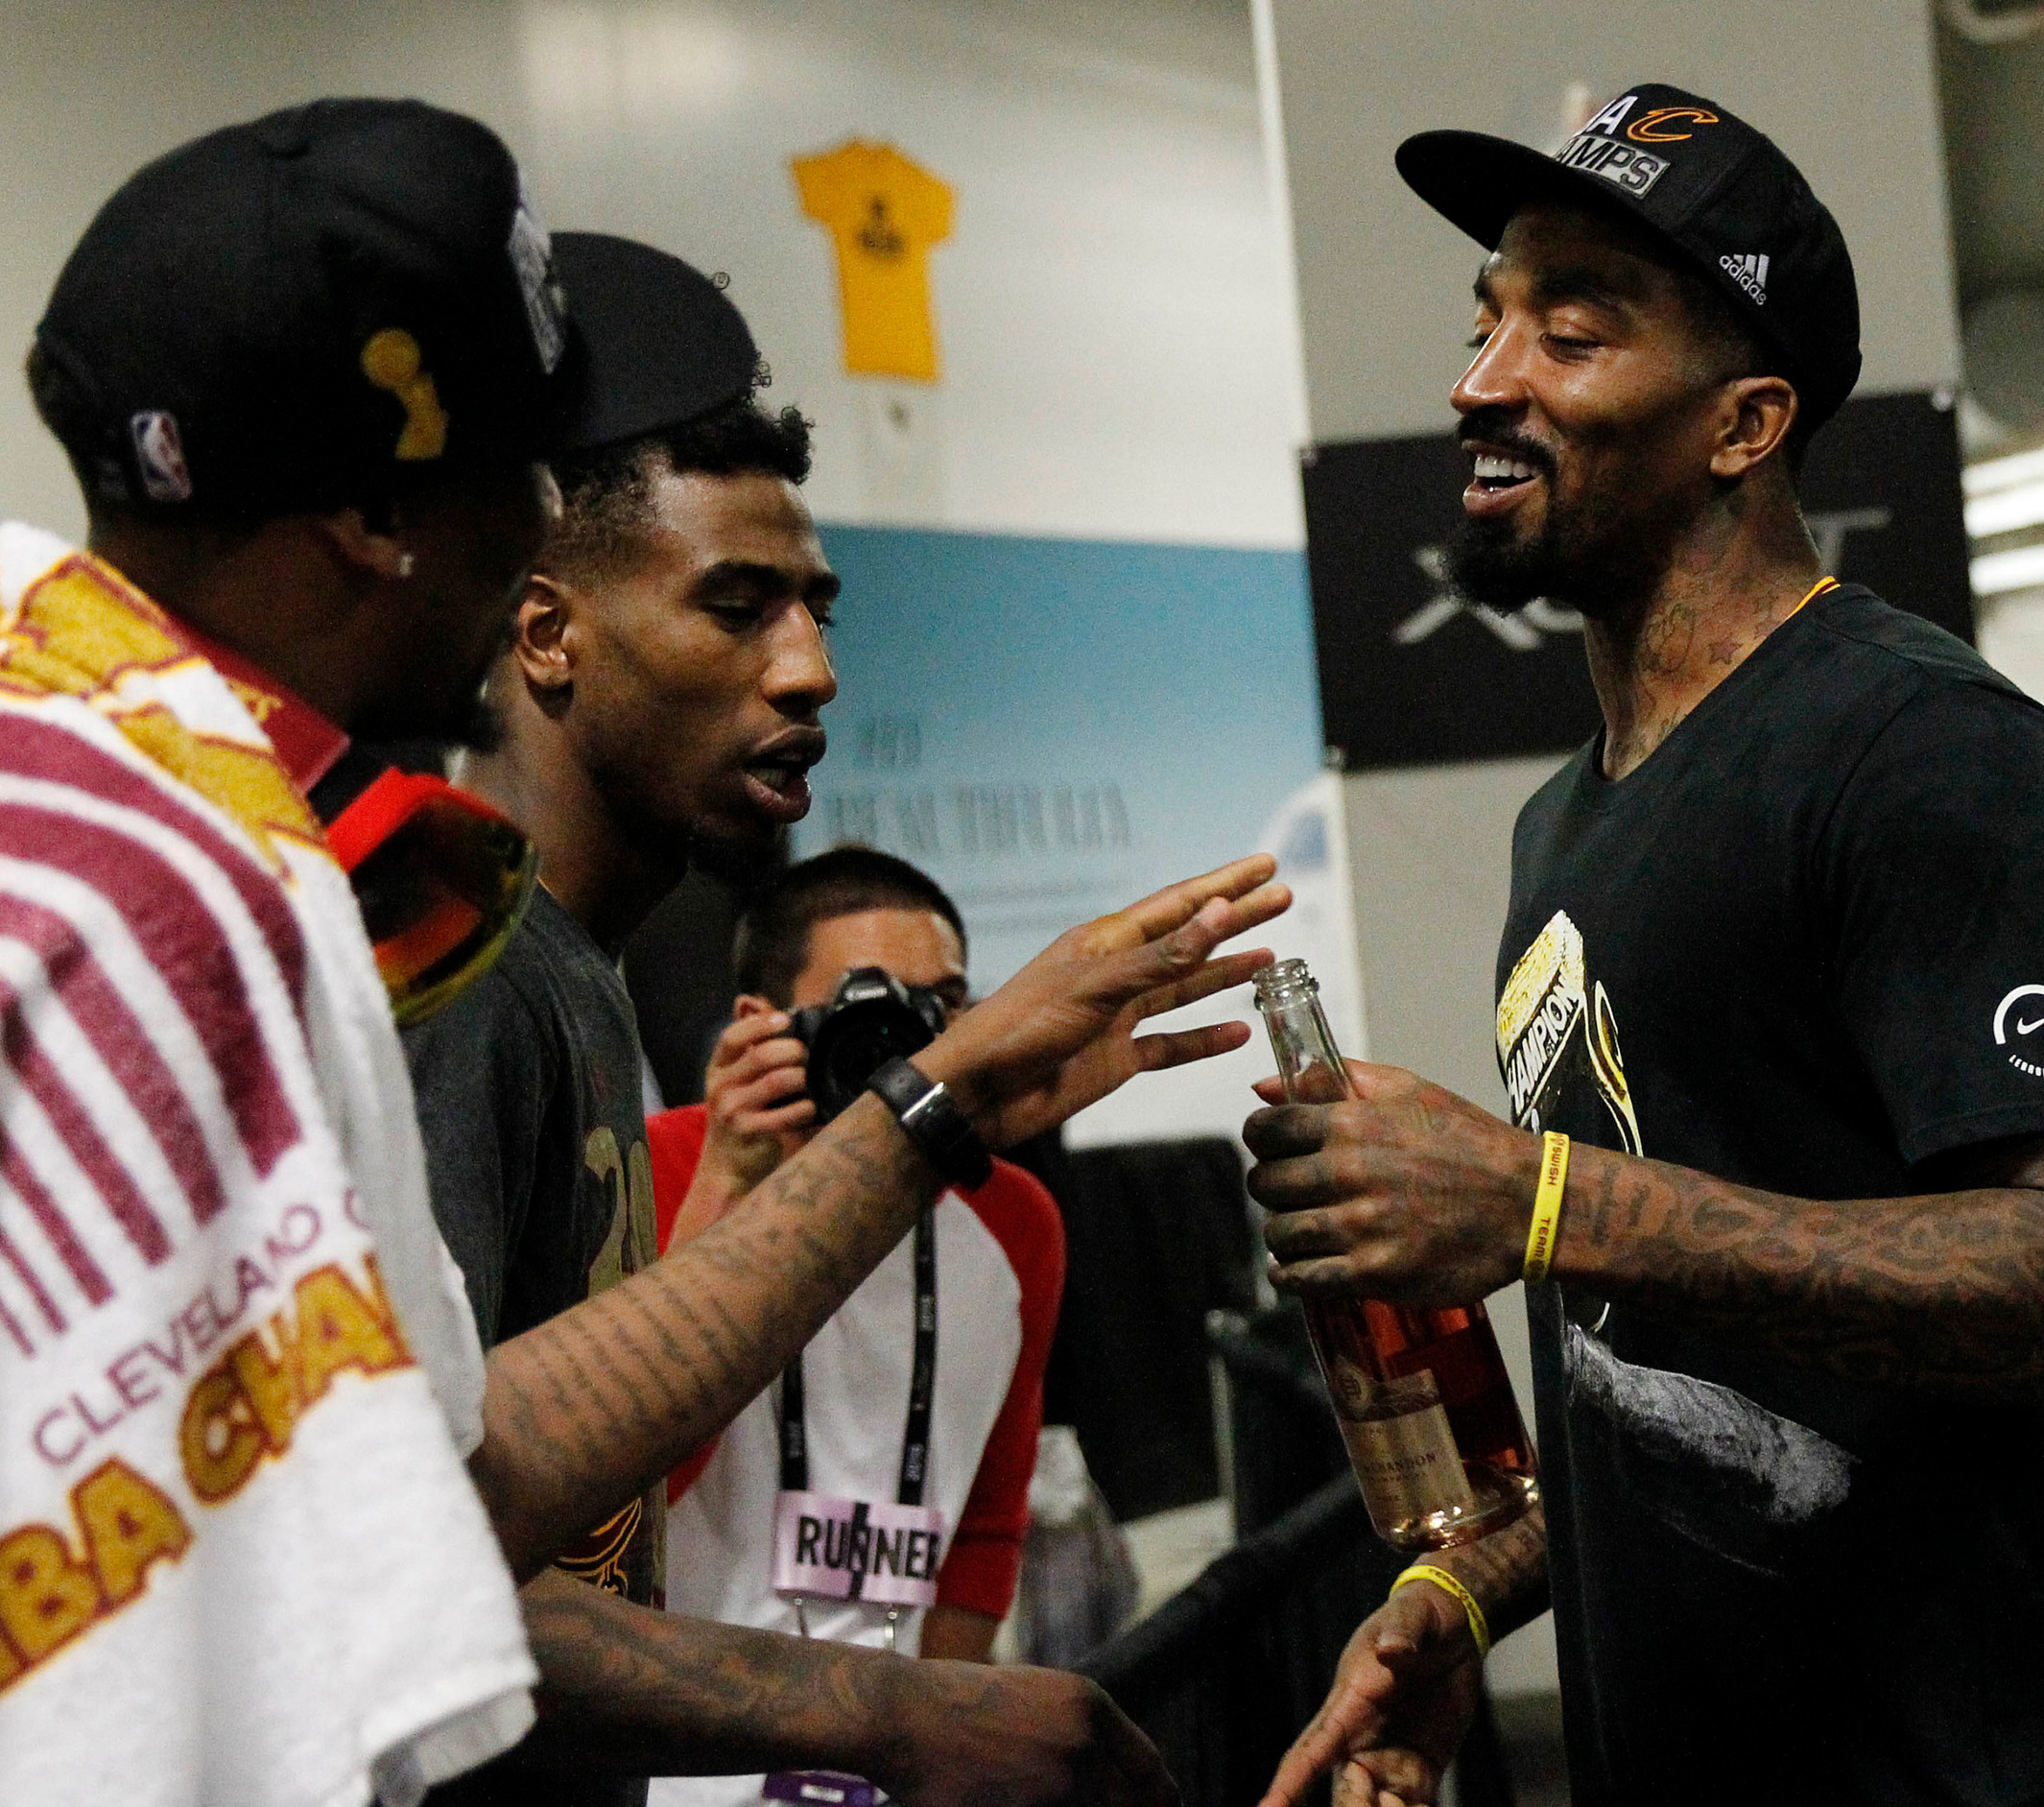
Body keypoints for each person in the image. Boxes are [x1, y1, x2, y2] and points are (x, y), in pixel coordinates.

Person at [1245, 84, 2044, 1806]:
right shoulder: (1565, 820)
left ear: (1744, 423)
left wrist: (1541, 1200)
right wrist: (1469, 1592)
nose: (1482, 382)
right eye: (1486, 323)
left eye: (1570, 333)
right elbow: (1680, 1362)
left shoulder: (1920, 748)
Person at [399, 234, 1273, 1805]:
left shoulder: (575, 975)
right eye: (737, 606)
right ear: (545, 631)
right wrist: (887, 1708)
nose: (807, 669)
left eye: (815, 607)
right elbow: (410, 1551)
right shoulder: (462, 974)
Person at [0, 98, 579, 1805]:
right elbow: (245, 1637)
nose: (545, 521)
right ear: (378, 514)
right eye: (522, 473)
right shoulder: (208, 892)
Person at [646, 848, 1064, 1805]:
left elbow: (984, 1530)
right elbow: (617, 1487)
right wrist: (728, 1185)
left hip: (883, 1753)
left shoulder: (1013, 1218)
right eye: (862, 1005)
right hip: (669, 1752)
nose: (908, 1046)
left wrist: (937, 1751)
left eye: (939, 1004)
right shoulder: (659, 1163)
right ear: (760, 1024)